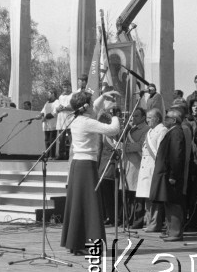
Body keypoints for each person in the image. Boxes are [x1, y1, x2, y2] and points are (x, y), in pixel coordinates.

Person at [61, 91, 120, 255]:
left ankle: (76, 241)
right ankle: (86, 243)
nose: (94, 104)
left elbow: (93, 107)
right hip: (86, 164)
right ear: (85, 106)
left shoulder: (79, 119)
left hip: (79, 164)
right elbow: (113, 129)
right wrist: (115, 114)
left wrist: (104, 96)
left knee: (79, 203)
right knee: (89, 203)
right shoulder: (87, 122)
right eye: (91, 101)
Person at [149, 109, 186, 241]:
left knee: (173, 202)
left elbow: (176, 155)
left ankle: (175, 232)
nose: (165, 120)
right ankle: (170, 230)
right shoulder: (173, 131)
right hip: (166, 174)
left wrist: (173, 175)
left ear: (174, 120)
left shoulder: (176, 132)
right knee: (168, 202)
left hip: (171, 175)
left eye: (167, 118)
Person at [135, 108, 168, 232]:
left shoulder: (162, 130)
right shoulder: (150, 131)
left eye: (150, 117)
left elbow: (159, 152)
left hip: (154, 167)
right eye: (147, 117)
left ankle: (155, 223)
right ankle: (149, 221)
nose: (147, 120)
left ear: (157, 118)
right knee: (147, 197)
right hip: (145, 167)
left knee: (154, 197)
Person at [122, 108, 149, 229]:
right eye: (133, 116)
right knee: (129, 196)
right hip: (128, 165)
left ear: (144, 117)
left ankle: (137, 221)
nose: (134, 118)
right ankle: (128, 219)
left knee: (138, 197)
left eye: (137, 116)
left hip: (138, 166)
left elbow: (140, 146)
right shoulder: (130, 129)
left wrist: (124, 147)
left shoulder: (146, 130)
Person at [55, 79, 73, 160]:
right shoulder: (60, 96)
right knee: (61, 138)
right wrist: (58, 108)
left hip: (69, 118)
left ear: (69, 87)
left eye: (66, 87)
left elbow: (72, 107)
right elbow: (58, 107)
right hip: (61, 119)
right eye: (64, 87)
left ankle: (72, 154)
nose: (65, 88)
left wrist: (65, 107)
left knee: (71, 138)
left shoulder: (72, 95)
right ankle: (61, 154)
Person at [39, 89, 59, 159]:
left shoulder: (57, 102)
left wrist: (46, 117)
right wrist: (40, 115)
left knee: (52, 140)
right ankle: (47, 155)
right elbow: (43, 111)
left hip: (53, 124)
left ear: (53, 94)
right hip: (46, 125)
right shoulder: (47, 103)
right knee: (47, 140)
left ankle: (52, 155)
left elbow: (55, 113)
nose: (48, 95)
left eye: (49, 93)